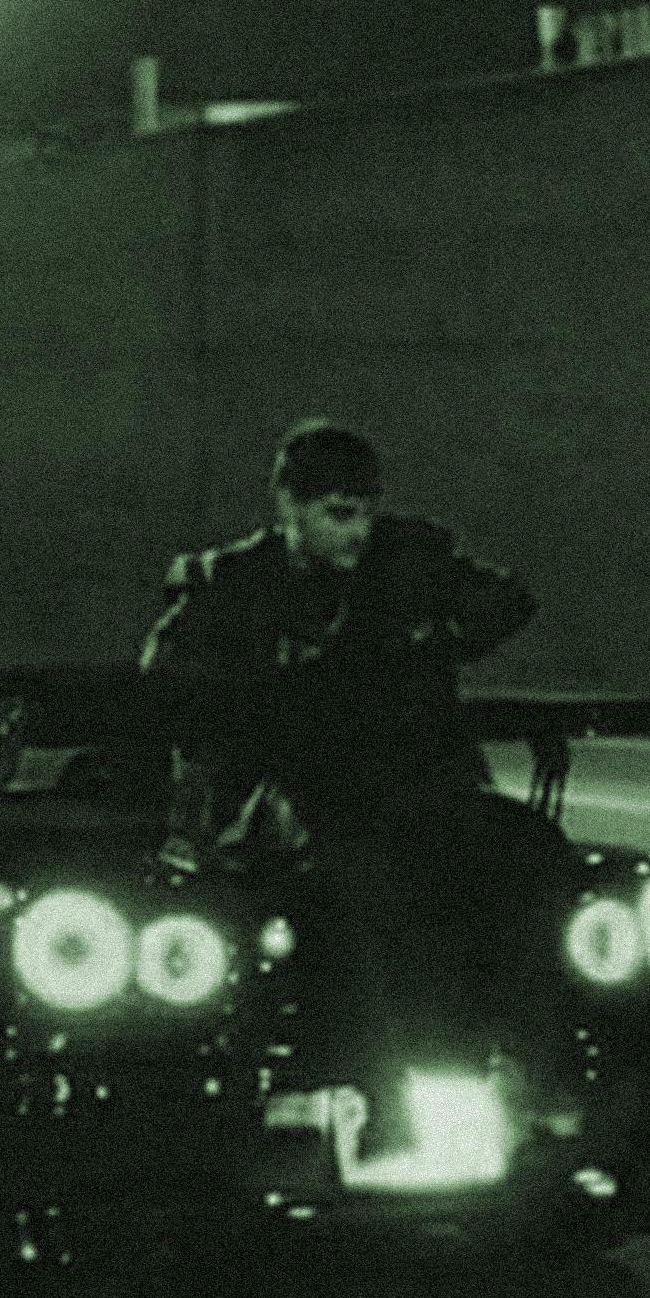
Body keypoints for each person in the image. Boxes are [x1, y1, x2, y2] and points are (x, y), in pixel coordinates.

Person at [138, 420, 561, 1069]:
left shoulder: (406, 561)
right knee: (357, 887)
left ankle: (530, 1049)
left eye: (365, 512)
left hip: (416, 785)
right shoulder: (235, 581)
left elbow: (505, 599)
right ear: (291, 507)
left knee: (532, 852)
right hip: (295, 795)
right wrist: (263, 690)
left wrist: (434, 634)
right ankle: (382, 1060)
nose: (358, 531)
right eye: (338, 514)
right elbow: (166, 679)